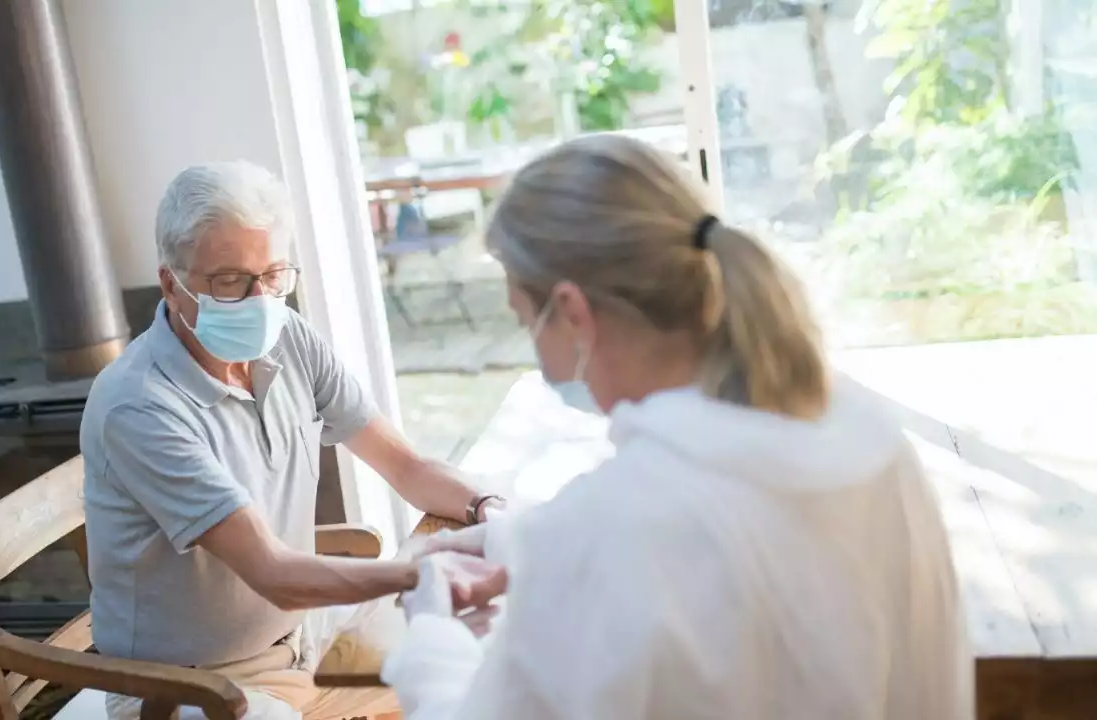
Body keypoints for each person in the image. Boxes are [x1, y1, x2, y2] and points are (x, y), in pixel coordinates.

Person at [381, 134, 973, 720]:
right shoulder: (864, 435)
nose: (539, 358)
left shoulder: (611, 532)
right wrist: (522, 543)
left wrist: (432, 634)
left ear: (572, 312)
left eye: (525, 320)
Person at [80, 160, 506, 720]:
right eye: (230, 280)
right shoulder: (139, 405)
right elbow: (275, 574)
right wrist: (422, 569)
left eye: (274, 275)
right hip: (188, 689)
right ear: (171, 283)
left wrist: (487, 509)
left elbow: (406, 468)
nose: (260, 299)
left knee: (487, 655)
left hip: (302, 633)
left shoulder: (288, 339)